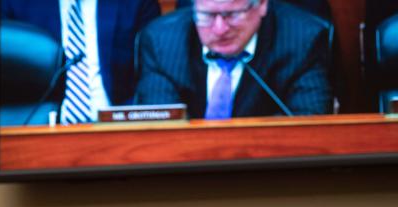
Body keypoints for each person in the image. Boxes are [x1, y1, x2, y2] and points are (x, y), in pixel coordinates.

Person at [134, 0, 333, 119]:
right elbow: (160, 128)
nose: (220, 29)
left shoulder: (303, 40)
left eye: (232, 15)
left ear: (262, 4)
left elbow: (309, 125)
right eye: (207, 15)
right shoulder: (162, 42)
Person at [1, 0, 161, 121]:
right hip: (40, 130)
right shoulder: (15, 4)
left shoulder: (135, 3)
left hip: (116, 131)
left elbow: (151, 82)